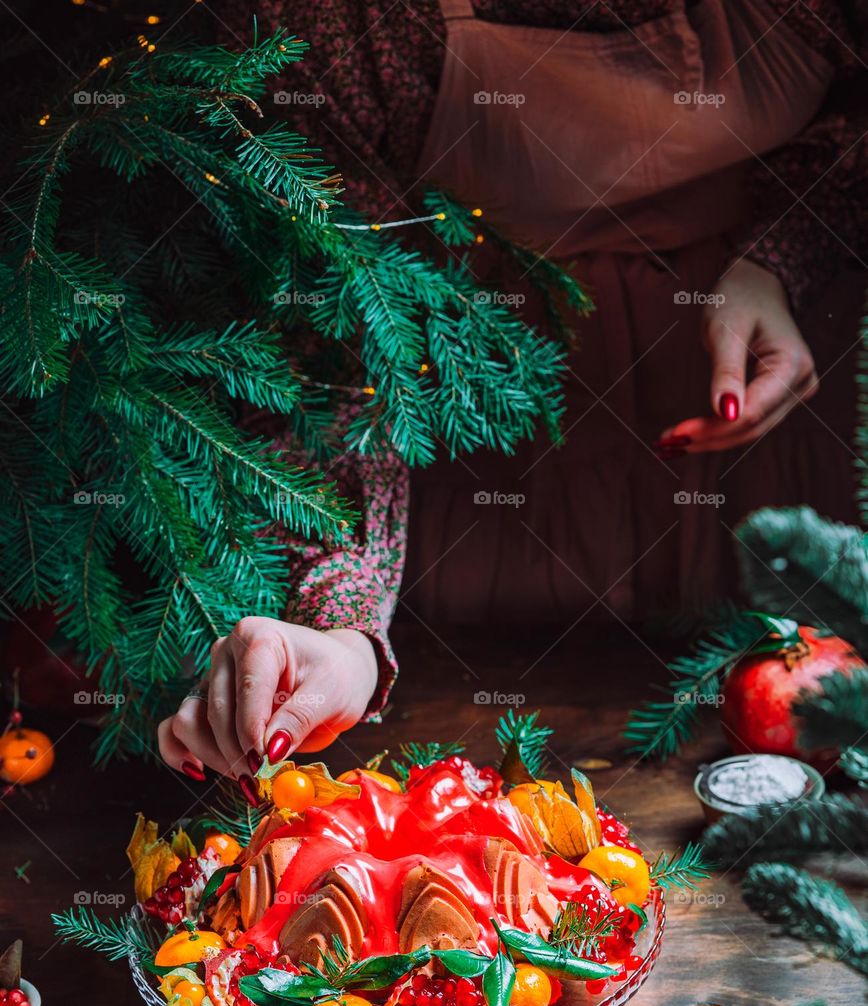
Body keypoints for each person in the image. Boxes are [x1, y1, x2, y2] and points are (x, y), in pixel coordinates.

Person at [158, 0, 866, 792]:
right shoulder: (330, 21)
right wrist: (338, 622)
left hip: (765, 389)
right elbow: (341, 325)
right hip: (481, 394)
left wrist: (778, 256)